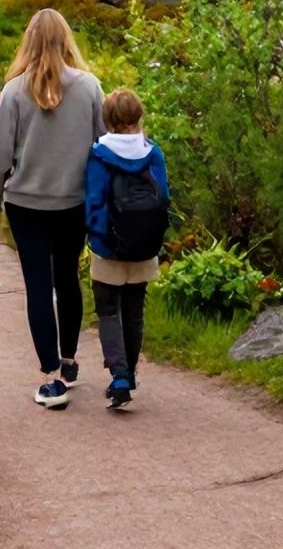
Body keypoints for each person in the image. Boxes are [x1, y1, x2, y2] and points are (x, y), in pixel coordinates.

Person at [0, 9, 104, 410]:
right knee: (68, 279)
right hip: (75, 201)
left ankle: (51, 376)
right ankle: (69, 361)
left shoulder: (15, 91)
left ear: (29, 41)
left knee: (38, 284)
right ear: (67, 39)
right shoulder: (89, 88)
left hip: (26, 204)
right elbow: (102, 146)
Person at [84, 89, 170, 410]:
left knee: (108, 310)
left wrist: (97, 237)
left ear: (108, 120)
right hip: (145, 246)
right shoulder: (153, 152)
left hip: (109, 248)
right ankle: (130, 373)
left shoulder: (99, 154)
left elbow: (94, 201)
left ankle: (119, 375)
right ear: (139, 117)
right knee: (134, 312)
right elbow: (164, 197)